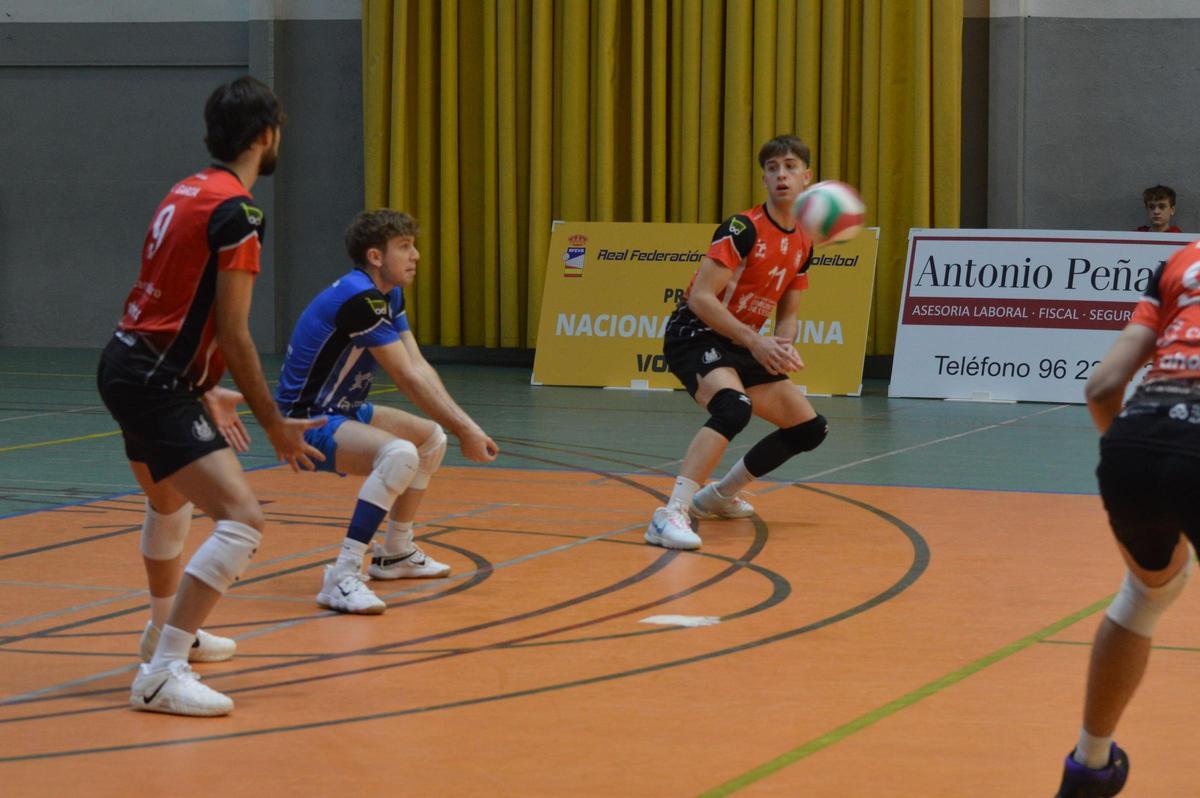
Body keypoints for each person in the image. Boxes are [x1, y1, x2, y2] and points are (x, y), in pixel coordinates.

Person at [96, 76, 326, 717]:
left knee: (170, 499)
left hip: (128, 364)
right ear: (266, 135)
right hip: (155, 382)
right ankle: (162, 672)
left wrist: (207, 388)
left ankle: (161, 631)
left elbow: (172, 307)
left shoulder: (186, 188)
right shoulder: (238, 212)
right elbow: (233, 330)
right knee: (242, 517)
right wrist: (274, 422)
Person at [275, 209, 499, 614]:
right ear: (376, 256)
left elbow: (417, 365)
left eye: (414, 245)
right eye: (405, 247)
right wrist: (469, 429)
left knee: (430, 439)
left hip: (344, 408)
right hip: (303, 421)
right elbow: (406, 378)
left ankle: (395, 552)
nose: (415, 255)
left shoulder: (388, 294)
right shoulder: (360, 300)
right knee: (399, 454)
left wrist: (464, 426)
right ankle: (342, 575)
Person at [1053, 238, 1200, 796]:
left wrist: (1147, 457)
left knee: (1147, 594)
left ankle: (1090, 765)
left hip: (1137, 439)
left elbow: (1103, 388)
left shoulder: (1183, 259)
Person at [646, 135, 828, 550]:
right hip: (695, 333)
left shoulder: (804, 240)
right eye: (772, 168)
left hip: (742, 342)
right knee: (733, 408)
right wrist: (755, 341)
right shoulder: (742, 228)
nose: (781, 174)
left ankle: (719, 497)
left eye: (789, 166)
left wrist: (780, 346)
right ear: (764, 177)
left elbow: (789, 312)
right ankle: (670, 513)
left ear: (807, 177)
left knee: (809, 428)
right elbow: (701, 298)